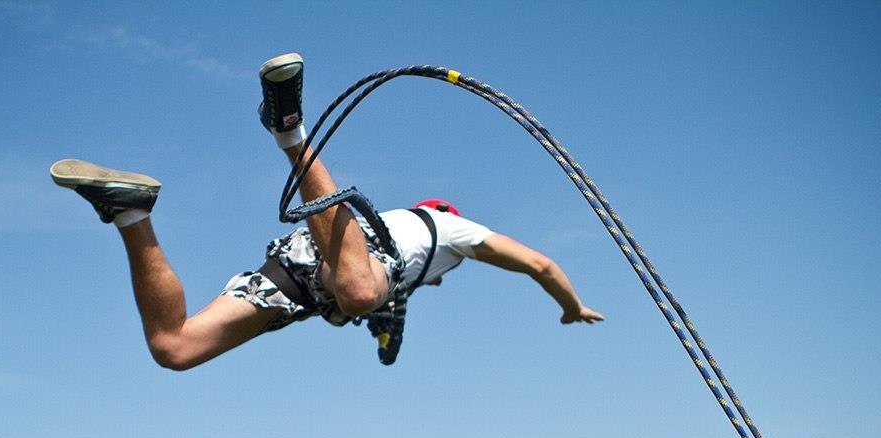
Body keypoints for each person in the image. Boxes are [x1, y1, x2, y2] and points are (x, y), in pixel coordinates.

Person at [49, 53, 603, 371]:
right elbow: (539, 264)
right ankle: (288, 128)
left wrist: (385, 330)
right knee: (361, 292)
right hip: (341, 256)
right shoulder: (456, 230)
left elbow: (389, 333)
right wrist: (571, 306)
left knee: (174, 348)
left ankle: (129, 212)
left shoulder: (404, 281)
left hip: (298, 273)